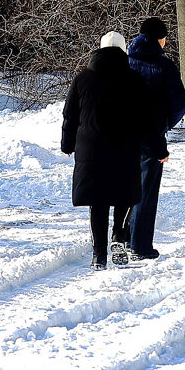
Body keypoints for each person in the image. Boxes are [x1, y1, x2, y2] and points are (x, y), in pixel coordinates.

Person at [61, 31, 154, 270]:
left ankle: (98, 254)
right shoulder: (134, 79)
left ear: (99, 50)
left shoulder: (83, 78)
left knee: (98, 201)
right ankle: (119, 237)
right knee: (124, 195)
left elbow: (70, 115)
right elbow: (145, 118)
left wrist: (67, 144)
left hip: (91, 149)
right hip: (125, 147)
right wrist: (154, 146)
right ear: (124, 51)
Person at [126, 16, 185, 260]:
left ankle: (119, 237)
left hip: (122, 135)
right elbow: (180, 103)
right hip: (151, 138)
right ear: (160, 39)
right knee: (146, 191)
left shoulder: (124, 61)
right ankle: (140, 246)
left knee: (125, 189)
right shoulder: (164, 67)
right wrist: (165, 124)